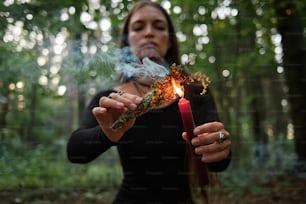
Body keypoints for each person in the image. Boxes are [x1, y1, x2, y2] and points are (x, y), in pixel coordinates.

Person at [67, 1, 231, 203]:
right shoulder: (111, 100)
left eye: (159, 27)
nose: (149, 33)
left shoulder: (196, 93)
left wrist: (220, 142)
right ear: (128, 41)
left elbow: (219, 163)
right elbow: (75, 152)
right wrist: (107, 133)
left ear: (169, 41)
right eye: (138, 27)